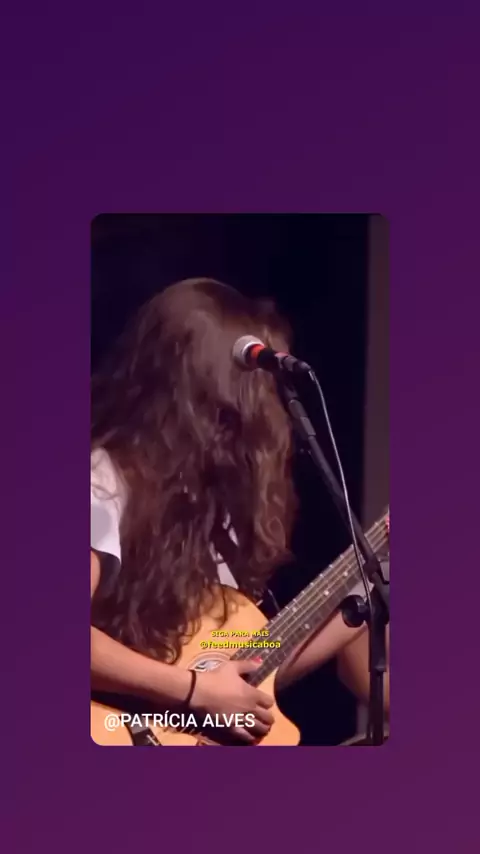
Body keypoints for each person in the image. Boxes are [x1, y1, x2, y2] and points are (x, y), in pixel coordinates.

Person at [91, 277, 389, 745]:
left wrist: (360, 601)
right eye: (253, 392)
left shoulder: (213, 506)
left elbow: (248, 674)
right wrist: (194, 690)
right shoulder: (105, 479)